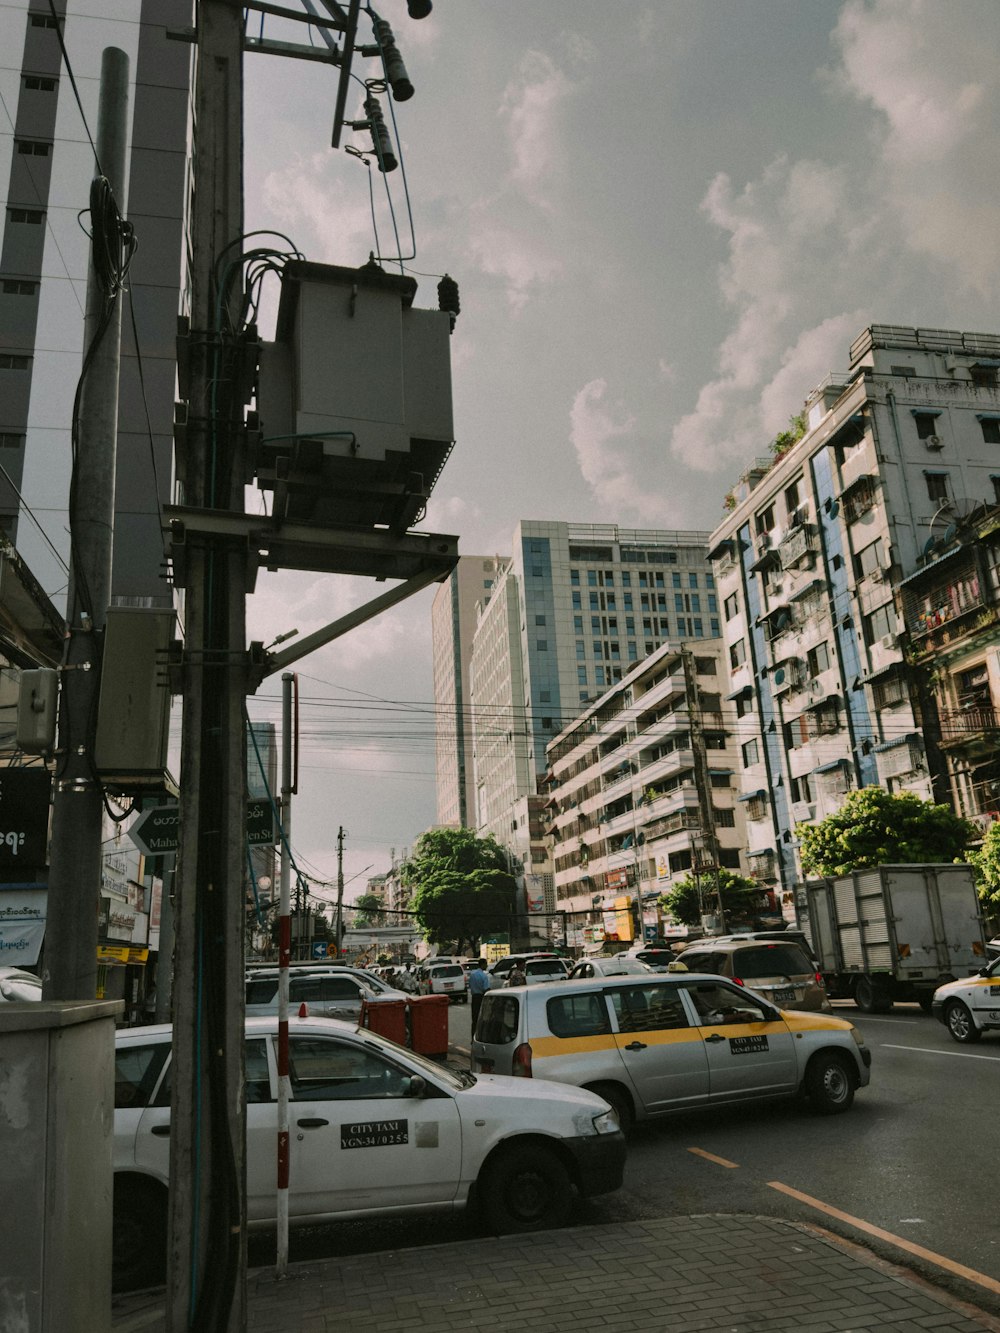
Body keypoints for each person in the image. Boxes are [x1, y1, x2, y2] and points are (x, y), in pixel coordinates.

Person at [468, 959, 491, 1029]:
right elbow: (486, 989)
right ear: (483, 964)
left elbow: (470, 985)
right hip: (481, 998)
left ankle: (473, 1036)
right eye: (486, 964)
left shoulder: (472, 974)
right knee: (482, 1018)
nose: (487, 966)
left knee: (475, 1018)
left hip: (474, 997)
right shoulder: (484, 976)